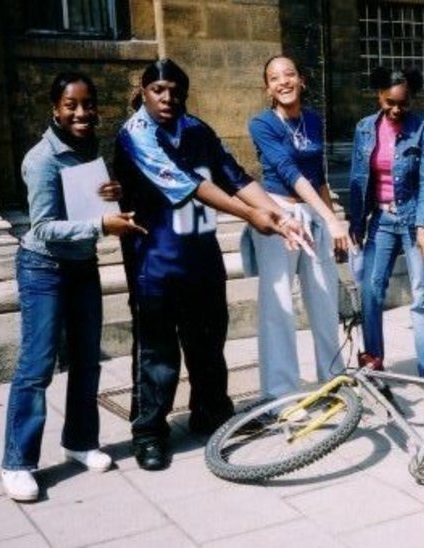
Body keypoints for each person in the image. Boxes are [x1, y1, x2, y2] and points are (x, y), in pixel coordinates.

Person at [116, 59, 300, 471]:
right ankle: (149, 431)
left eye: (175, 91)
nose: (167, 98)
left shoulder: (197, 128)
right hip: (156, 261)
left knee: (208, 342)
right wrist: (249, 215)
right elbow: (188, 184)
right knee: (157, 352)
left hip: (201, 256)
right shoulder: (136, 134)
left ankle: (211, 413)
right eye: (158, 90)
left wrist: (279, 214)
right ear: (144, 91)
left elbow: (232, 174)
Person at [2, 72, 147, 501]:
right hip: (43, 270)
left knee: (87, 361)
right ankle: (17, 462)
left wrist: (113, 194)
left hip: (82, 266)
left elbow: (87, 203)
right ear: (55, 109)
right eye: (71, 105)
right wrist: (103, 223)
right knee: (37, 365)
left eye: (88, 104)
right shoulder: (41, 159)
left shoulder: (89, 149)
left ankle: (80, 442)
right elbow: (43, 228)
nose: (82, 113)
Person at [248, 55, 348, 400]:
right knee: (279, 307)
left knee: (324, 300)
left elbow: (318, 176)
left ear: (301, 80)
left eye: (289, 74)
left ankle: (333, 379)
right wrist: (333, 220)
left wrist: (331, 221)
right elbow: (290, 172)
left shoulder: (313, 120)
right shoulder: (262, 124)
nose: (283, 82)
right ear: (268, 88)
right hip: (281, 218)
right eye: (274, 78)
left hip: (315, 215)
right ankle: (280, 395)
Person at [348, 67, 424, 398]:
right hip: (380, 219)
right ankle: (374, 365)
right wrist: (356, 225)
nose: (396, 109)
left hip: (413, 217)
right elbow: (358, 180)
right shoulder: (364, 128)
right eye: (389, 102)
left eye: (403, 103)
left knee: (421, 295)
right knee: (370, 292)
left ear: (411, 99)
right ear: (379, 96)